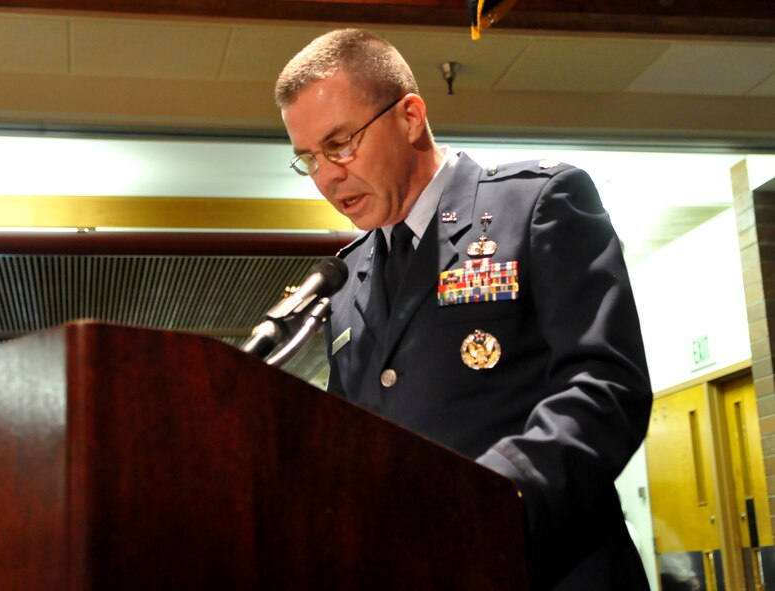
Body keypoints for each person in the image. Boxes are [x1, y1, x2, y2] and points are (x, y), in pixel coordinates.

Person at [275, 28, 653, 591]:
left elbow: (605, 386)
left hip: (548, 567)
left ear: (409, 116)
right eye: (309, 158)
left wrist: (485, 502)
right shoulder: (346, 275)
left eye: (341, 144)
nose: (328, 175)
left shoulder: (538, 204)